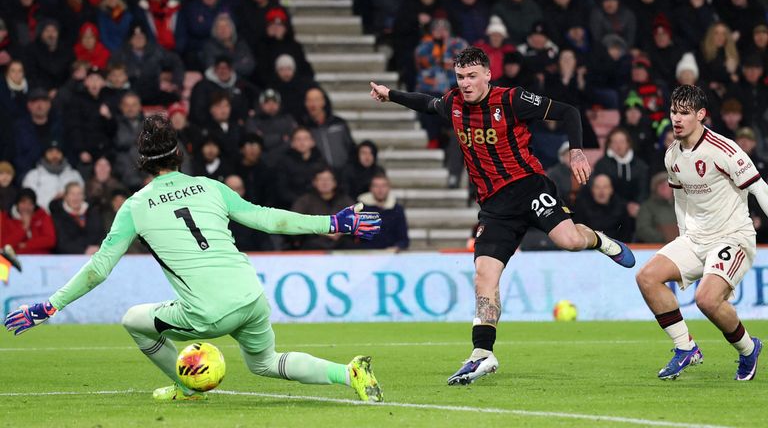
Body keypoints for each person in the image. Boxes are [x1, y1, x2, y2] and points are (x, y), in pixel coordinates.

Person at [3, 114, 383, 403]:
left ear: (142, 162)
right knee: (265, 363)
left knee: (133, 321)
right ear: (180, 154)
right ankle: (349, 373)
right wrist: (333, 221)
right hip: (250, 296)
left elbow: (99, 268)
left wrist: (49, 307)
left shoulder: (134, 206)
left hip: (206, 313)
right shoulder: (210, 187)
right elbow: (268, 218)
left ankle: (189, 388)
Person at [370, 46, 635, 386]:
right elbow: (425, 102)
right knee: (484, 275)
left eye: (471, 76)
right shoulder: (452, 103)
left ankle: (600, 240)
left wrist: (577, 151)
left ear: (487, 75)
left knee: (569, 241)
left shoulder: (512, 100)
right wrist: (390, 95)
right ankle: (482, 353)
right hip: (494, 207)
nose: (465, 83)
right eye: (460, 77)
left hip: (529, 186)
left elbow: (569, 112)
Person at [635, 84, 764, 381]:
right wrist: (683, 233)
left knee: (707, 300)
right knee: (647, 277)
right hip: (696, 237)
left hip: (733, 236)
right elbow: (680, 198)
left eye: (684, 113)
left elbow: (759, 188)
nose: (676, 119)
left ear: (701, 115)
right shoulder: (672, 156)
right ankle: (686, 347)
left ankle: (748, 349)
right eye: (673, 112)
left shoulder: (725, 149)